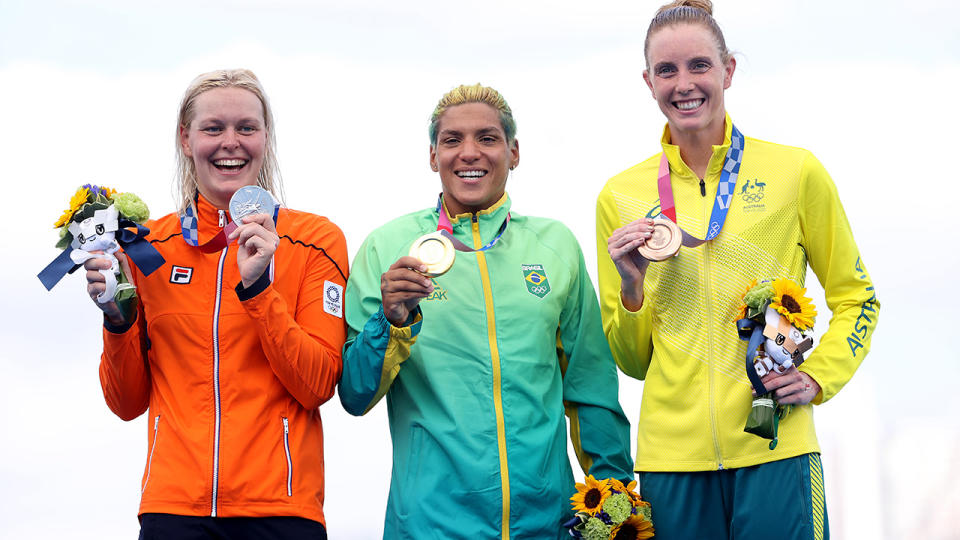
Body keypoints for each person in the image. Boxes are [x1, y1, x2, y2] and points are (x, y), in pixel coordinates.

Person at [596, 2, 879, 539]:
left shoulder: (795, 172)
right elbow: (632, 362)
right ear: (647, 81)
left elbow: (856, 297)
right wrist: (632, 288)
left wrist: (821, 376)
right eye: (667, 70)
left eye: (699, 65)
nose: (684, 84)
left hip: (775, 446)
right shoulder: (620, 195)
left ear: (727, 70)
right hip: (670, 463)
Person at [339, 84, 633, 539]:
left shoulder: (555, 246)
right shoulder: (386, 248)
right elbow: (355, 395)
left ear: (514, 152)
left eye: (488, 138)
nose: (469, 153)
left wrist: (614, 496)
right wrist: (391, 321)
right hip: (429, 526)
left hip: (547, 523)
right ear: (433, 155)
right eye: (453, 140)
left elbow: (590, 387)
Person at [85, 69, 348, 539]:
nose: (231, 142)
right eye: (214, 129)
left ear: (266, 138)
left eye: (246, 128)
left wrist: (259, 292)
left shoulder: (314, 241)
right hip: (173, 510)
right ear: (186, 139)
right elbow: (126, 403)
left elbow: (318, 384)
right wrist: (117, 316)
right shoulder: (150, 249)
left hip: (282, 511)